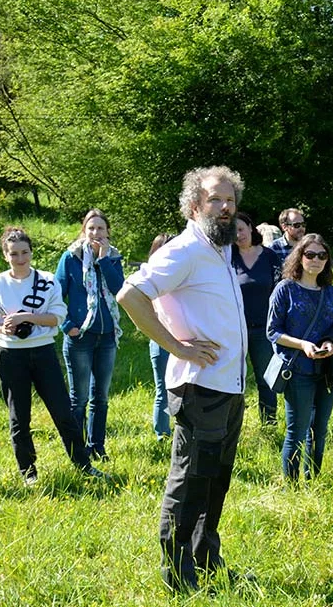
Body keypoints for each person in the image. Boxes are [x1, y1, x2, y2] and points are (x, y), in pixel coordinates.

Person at [117, 166, 249, 591]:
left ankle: (207, 562)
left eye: (230, 199)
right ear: (194, 206)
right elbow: (130, 295)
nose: (225, 207)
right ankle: (177, 575)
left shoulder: (219, 250)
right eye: (215, 199)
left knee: (215, 481)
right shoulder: (184, 249)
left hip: (227, 387)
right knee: (191, 480)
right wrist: (178, 346)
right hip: (200, 387)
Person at [0, 227, 105, 485]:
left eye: (24, 252)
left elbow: (57, 316)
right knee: (19, 417)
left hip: (43, 353)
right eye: (14, 254)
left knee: (63, 411)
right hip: (10, 355)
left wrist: (26, 317)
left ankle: (83, 465)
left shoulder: (46, 280)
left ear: (31, 252)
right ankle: (28, 473)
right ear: (5, 255)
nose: (20, 259)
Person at [267, 234, 333, 479]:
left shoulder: (330, 291)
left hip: (326, 370)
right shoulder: (286, 289)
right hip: (298, 369)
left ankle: (313, 479)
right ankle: (292, 486)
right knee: (297, 431)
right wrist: (303, 345)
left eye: (322, 255)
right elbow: (273, 331)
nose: (316, 260)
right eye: (310, 254)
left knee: (319, 431)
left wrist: (330, 343)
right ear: (299, 257)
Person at [55, 208, 124, 461]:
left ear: (108, 233)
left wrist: (104, 260)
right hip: (79, 337)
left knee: (101, 398)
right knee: (79, 398)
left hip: (107, 337)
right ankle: (77, 450)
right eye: (91, 228)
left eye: (101, 228)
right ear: (84, 230)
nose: (96, 233)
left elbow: (120, 291)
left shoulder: (114, 258)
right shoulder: (70, 257)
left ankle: (98, 447)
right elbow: (56, 294)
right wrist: (67, 325)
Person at [233, 212, 282, 425]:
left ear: (251, 228)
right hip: (234, 329)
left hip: (263, 329)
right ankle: (231, 425)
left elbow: (280, 291)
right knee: (233, 381)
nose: (238, 234)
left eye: (241, 229)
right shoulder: (227, 258)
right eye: (232, 231)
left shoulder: (270, 257)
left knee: (266, 379)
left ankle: (268, 423)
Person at [147, 233, 174, 440]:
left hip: (184, 339)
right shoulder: (150, 278)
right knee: (163, 389)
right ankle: (162, 435)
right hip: (160, 340)